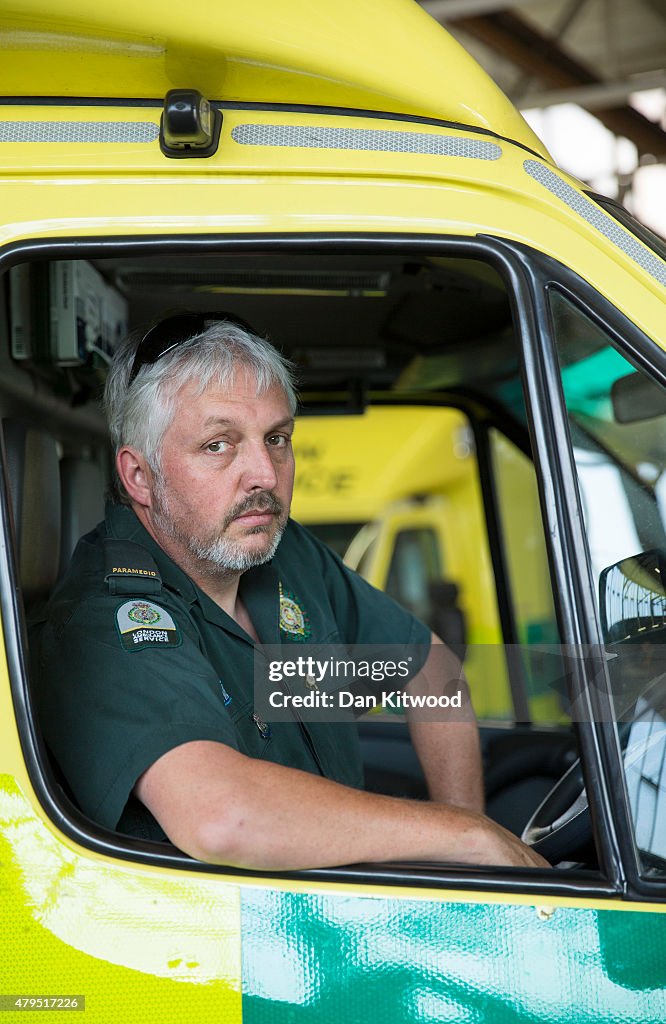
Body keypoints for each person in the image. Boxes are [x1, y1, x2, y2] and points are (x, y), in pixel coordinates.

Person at [33, 315, 547, 871]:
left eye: (276, 439)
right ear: (140, 477)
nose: (264, 474)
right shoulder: (104, 619)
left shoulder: (282, 553)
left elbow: (429, 672)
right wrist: (466, 835)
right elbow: (222, 817)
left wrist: (466, 873)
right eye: (218, 445)